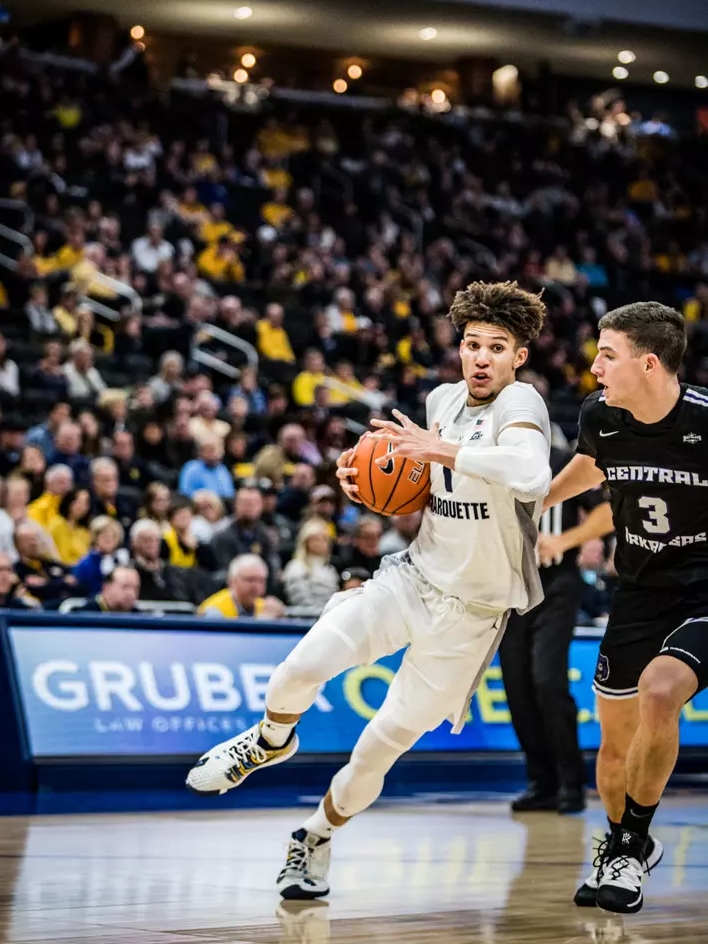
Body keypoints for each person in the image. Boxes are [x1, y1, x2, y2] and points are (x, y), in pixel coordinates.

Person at [186, 280, 551, 901]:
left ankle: (315, 837)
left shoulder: (521, 402)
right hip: (412, 578)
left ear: (518, 356)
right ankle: (271, 740)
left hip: (472, 616)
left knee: (377, 750)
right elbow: (430, 488)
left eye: (496, 347)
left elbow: (531, 472)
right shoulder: (441, 399)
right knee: (300, 667)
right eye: (472, 344)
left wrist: (439, 449)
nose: (481, 358)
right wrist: (371, 480)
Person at [541, 300, 708, 915]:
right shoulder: (600, 416)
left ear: (649, 363)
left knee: (660, 691)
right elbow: (589, 468)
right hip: (638, 591)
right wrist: (533, 504)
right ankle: (621, 845)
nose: (594, 367)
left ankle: (632, 846)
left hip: (703, 592)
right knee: (614, 749)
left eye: (607, 355)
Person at [499, 441, 609, 816]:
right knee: (517, 688)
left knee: (548, 681)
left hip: (556, 584)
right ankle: (542, 783)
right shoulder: (492, 460)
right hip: (509, 587)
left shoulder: (562, 460)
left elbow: (607, 512)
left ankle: (571, 782)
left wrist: (565, 540)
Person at [197, 554, 284, 619]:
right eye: (250, 580)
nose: (256, 586)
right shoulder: (214, 610)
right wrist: (262, 622)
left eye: (261, 580)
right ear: (232, 582)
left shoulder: (265, 607)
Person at [282, 518, 340, 614]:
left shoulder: (330, 569)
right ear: (305, 541)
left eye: (324, 539)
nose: (320, 543)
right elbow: (300, 600)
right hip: (304, 616)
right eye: (316, 539)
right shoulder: (296, 567)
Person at [50, 487, 93, 566]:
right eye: (78, 502)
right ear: (69, 501)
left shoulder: (85, 531)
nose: (81, 507)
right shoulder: (56, 524)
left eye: (85, 503)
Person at [71, 565, 141, 614]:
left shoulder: (139, 618)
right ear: (106, 587)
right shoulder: (84, 614)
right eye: (125, 587)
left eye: (135, 588)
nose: (131, 593)